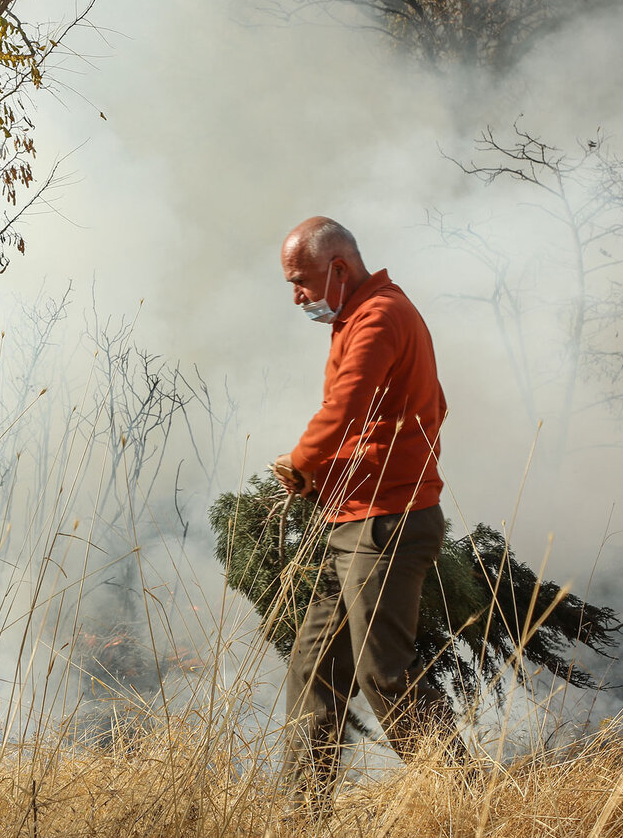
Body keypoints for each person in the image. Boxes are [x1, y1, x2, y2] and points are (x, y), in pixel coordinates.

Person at [270, 216, 465, 808]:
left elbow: (349, 405)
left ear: (338, 269)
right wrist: (324, 479)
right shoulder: (366, 314)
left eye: (300, 281)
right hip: (354, 516)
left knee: (385, 674)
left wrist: (302, 463)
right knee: (312, 667)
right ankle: (302, 814)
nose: (297, 296)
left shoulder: (378, 316)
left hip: (383, 523)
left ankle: (468, 798)